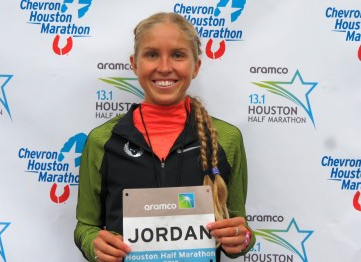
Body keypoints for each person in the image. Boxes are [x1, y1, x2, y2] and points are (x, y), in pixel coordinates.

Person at [74, 12, 255, 262]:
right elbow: (85, 225)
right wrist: (93, 244)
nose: (165, 67)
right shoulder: (102, 141)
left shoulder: (227, 139)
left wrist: (241, 239)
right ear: (135, 64)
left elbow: (240, 230)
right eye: (151, 54)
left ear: (196, 66)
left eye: (178, 55)